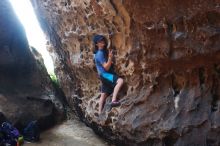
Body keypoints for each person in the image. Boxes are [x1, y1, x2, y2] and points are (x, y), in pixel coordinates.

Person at [93, 34, 124, 114]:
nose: (102, 42)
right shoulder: (99, 54)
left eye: (103, 40)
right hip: (105, 75)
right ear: (96, 44)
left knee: (103, 94)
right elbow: (106, 67)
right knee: (120, 81)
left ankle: (99, 113)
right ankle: (114, 100)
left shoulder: (100, 52)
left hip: (102, 76)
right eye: (100, 41)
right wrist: (110, 58)